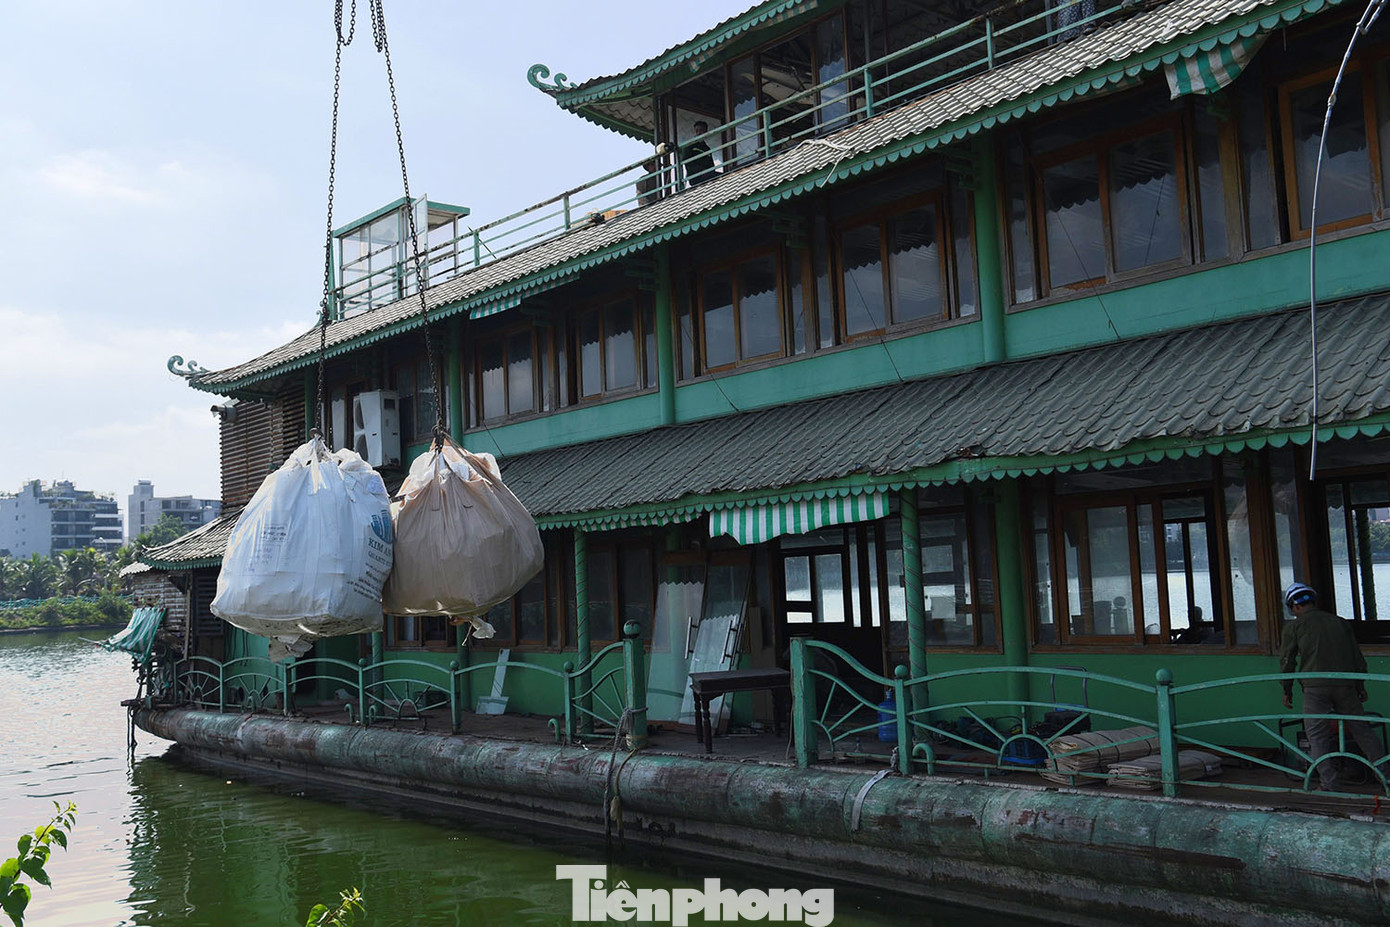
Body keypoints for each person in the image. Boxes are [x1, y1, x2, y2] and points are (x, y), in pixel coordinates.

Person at [1278, 582, 1385, 790]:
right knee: (1361, 729)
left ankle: (1330, 783)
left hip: (1315, 687)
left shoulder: (1294, 627)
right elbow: (1356, 656)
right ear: (1313, 601)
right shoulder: (1339, 622)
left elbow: (1287, 661)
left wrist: (1286, 689)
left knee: (1317, 735)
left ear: (1295, 606)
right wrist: (1359, 685)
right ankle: (1385, 775)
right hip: (1345, 684)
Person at [681, 121, 716, 188]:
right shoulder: (689, 146)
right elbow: (687, 162)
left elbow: (712, 166)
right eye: (697, 130)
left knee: (722, 176)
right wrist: (701, 171)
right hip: (696, 178)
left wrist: (709, 172)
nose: (699, 133)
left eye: (701, 130)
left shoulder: (707, 149)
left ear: (706, 132)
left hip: (708, 176)